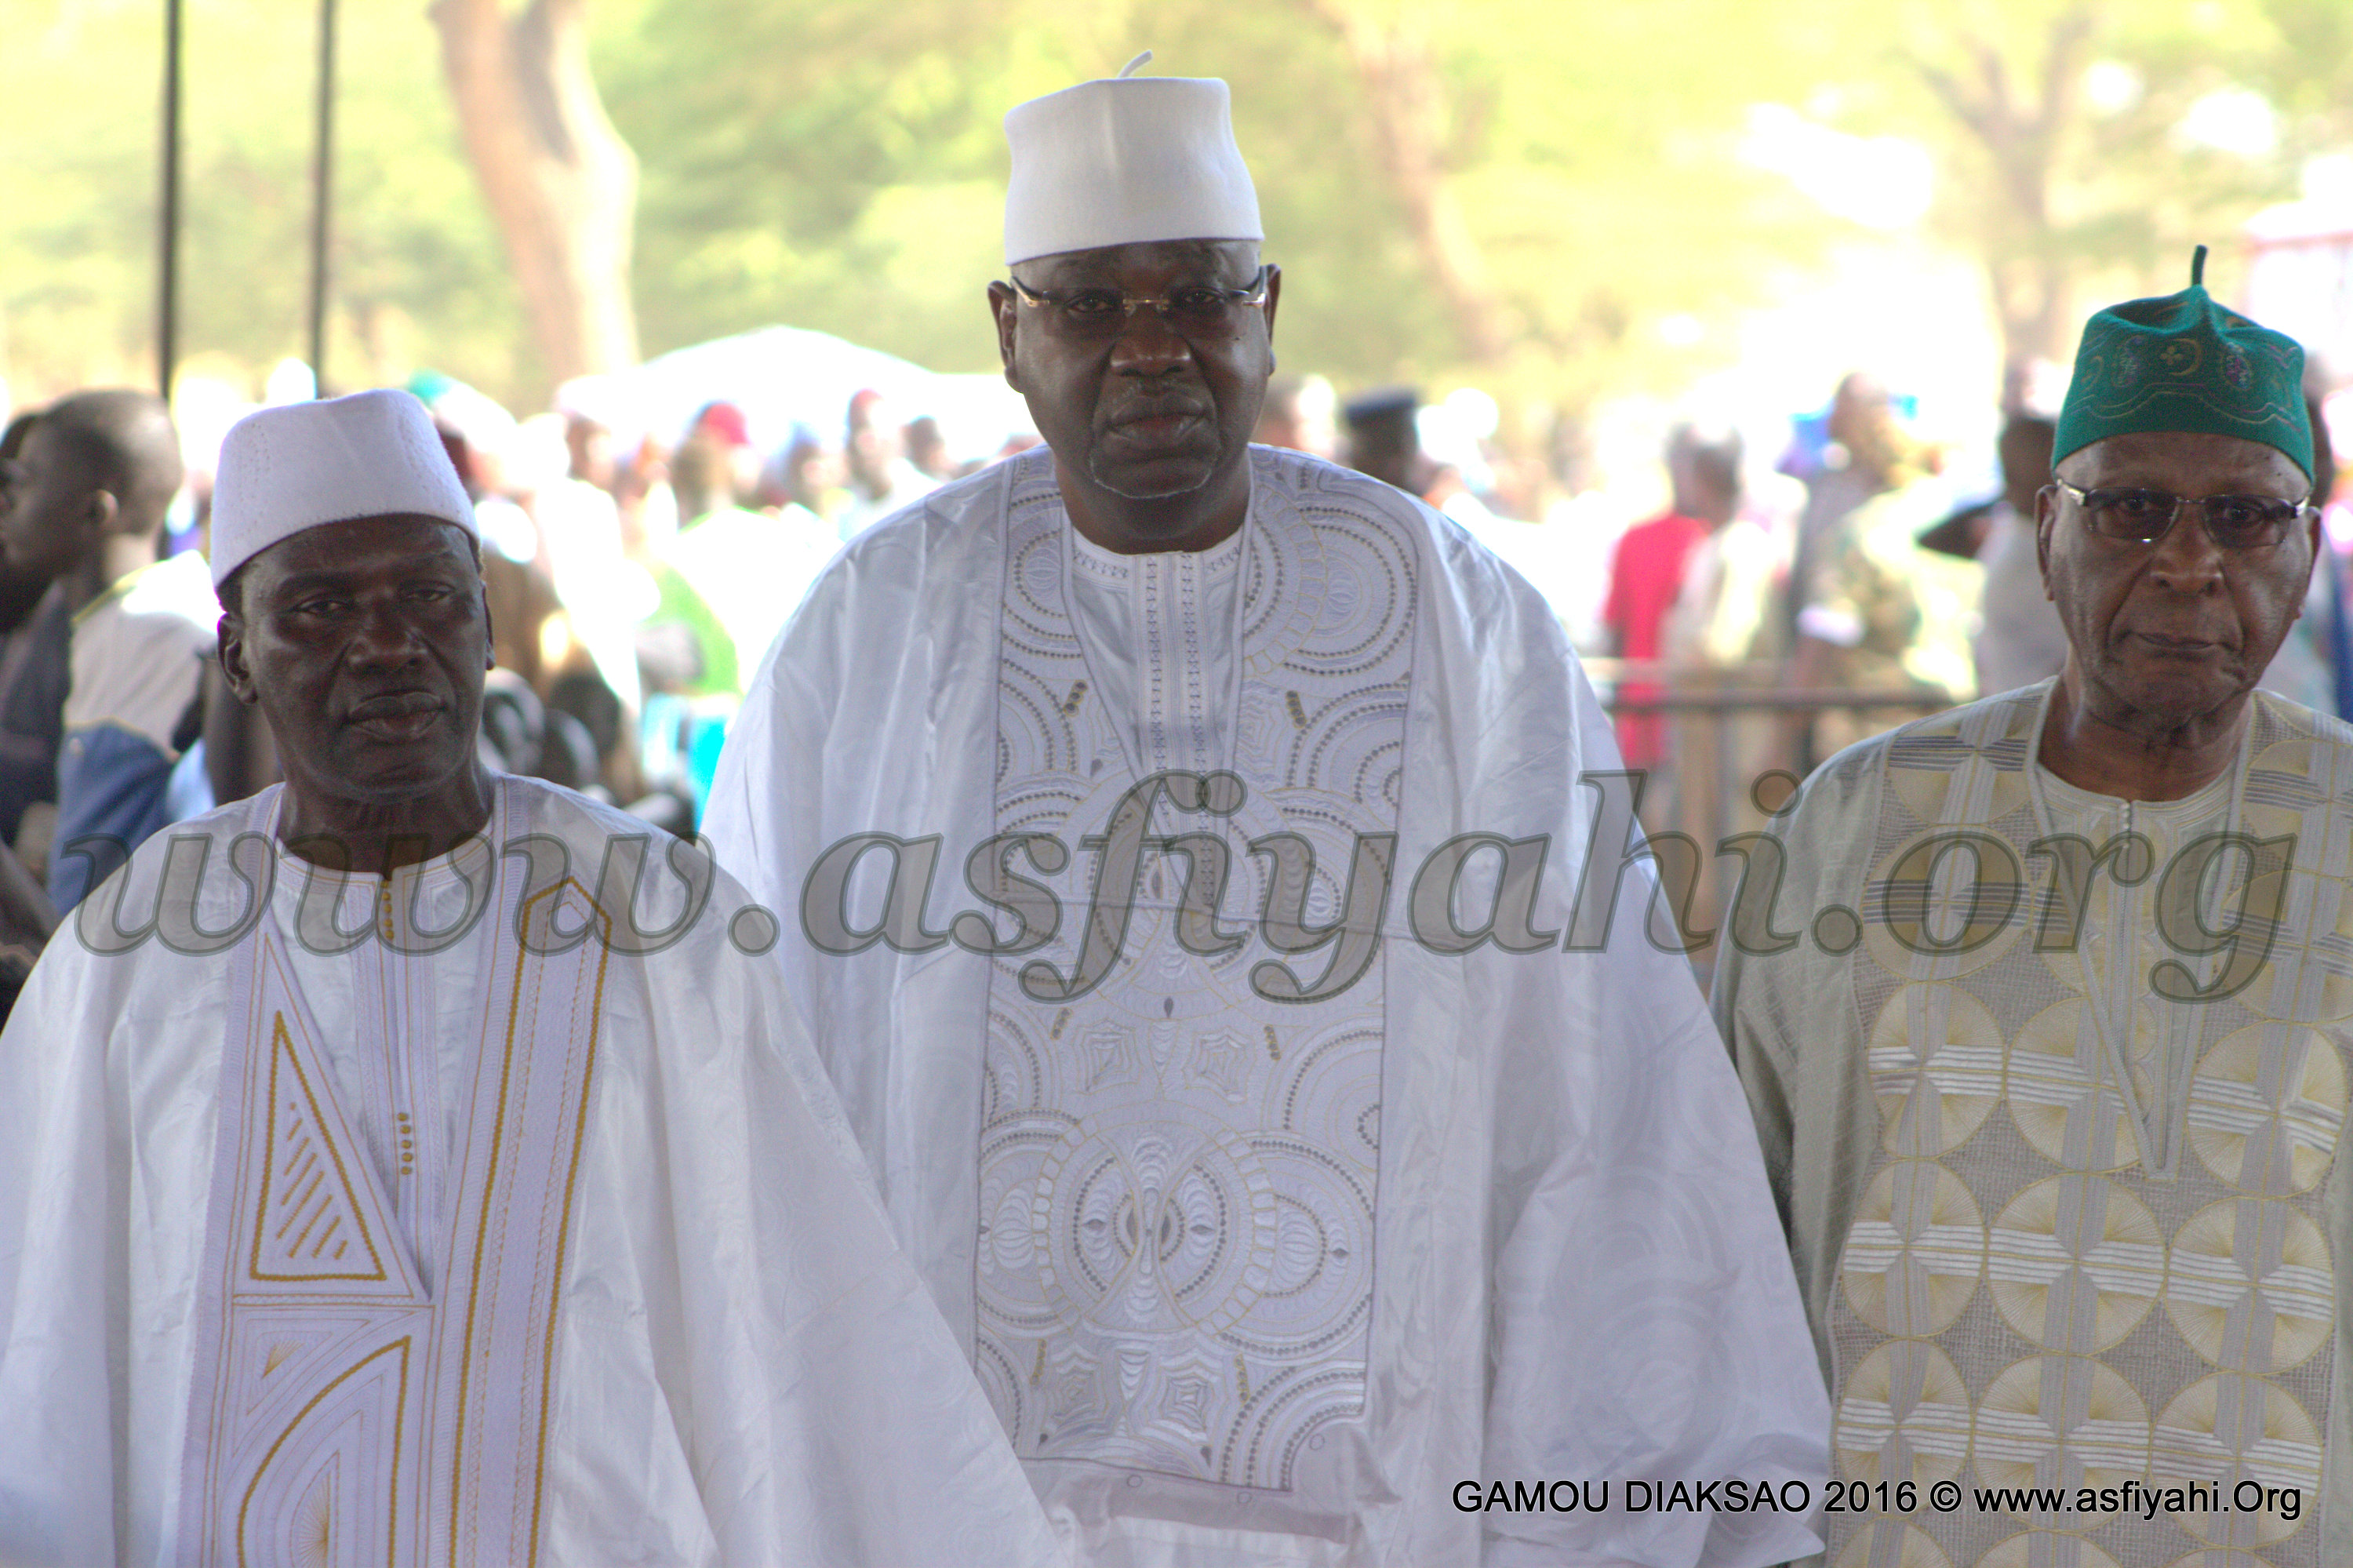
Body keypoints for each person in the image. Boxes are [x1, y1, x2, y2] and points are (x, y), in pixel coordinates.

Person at [705, 59, 1826, 1567]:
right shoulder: (870, 627)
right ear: (1008, 333)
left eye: (1200, 297)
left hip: (1382, 1501)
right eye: (1091, 306)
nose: (1152, 349)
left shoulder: (1455, 612)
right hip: (969, 1505)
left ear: (1270, 313)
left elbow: (1588, 1064)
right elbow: (764, 1074)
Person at [0, 388, 1062, 1566]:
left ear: (488, 630)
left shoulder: (659, 920)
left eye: (431, 597)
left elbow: (796, 1322)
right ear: (239, 653)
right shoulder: (132, 951)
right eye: (319, 607)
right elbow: (47, 1355)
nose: (389, 642)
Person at [1715, 249, 2353, 1565]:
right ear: (2042, 519)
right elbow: (1723, 1211)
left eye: (2245, 518)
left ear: (2308, 541)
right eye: (2131, 508)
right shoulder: (1857, 820)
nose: (2187, 561)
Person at [0, 390, 215, 913]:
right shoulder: (114, 623)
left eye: (25, 482)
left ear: (95, 513)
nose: (7, 501)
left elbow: (90, 907)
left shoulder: (159, 633)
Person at [1602, 421, 1740, 775]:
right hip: (1647, 723)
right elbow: (1616, 631)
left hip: (1713, 729)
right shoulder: (1637, 539)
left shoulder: (1736, 545)